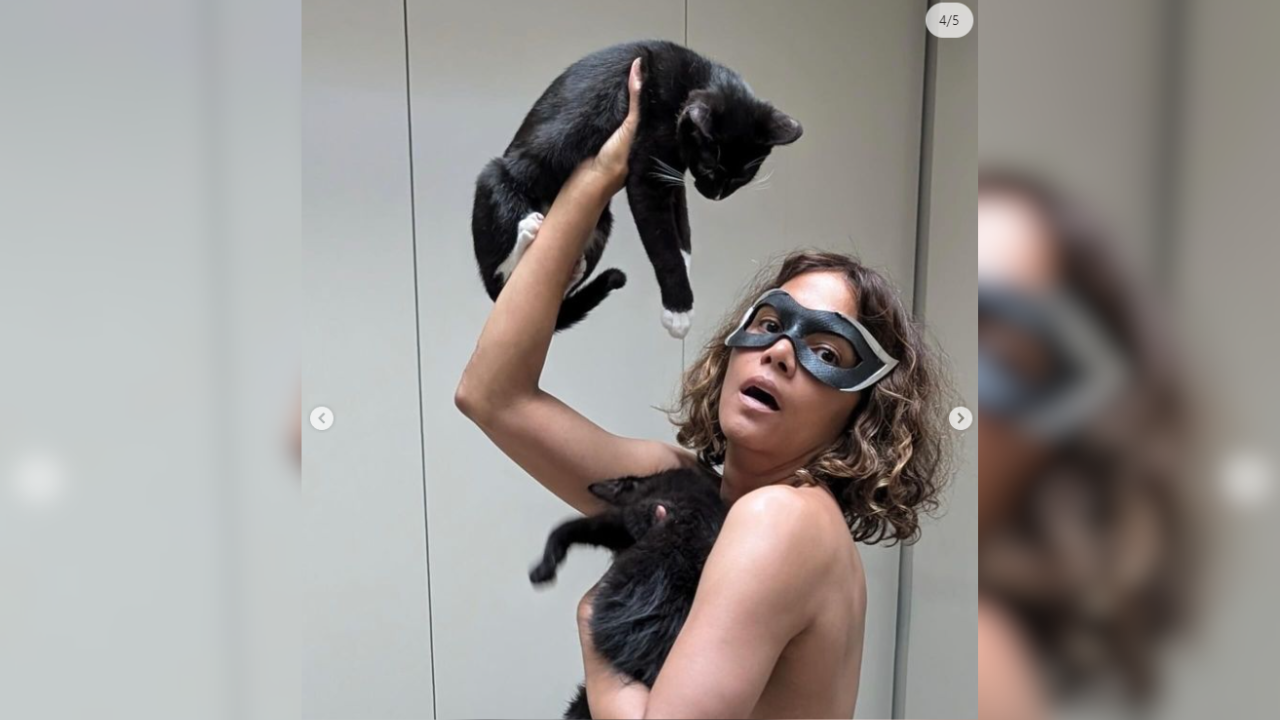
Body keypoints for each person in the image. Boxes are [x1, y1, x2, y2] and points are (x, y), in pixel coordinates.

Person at [455, 59, 950, 719]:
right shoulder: (698, 495)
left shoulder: (783, 520)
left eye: (826, 352)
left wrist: (595, 627)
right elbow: (494, 396)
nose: (780, 352)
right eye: (769, 324)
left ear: (864, 410)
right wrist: (599, 177)